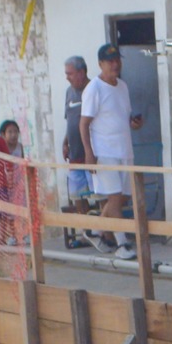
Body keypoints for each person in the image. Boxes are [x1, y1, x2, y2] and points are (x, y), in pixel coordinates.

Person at [80, 43, 143, 259]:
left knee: (122, 197)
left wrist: (133, 123)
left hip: (124, 149)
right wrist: (89, 153)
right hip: (104, 152)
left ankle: (95, 231)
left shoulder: (122, 86)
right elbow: (84, 123)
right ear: (100, 64)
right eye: (110, 61)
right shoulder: (94, 89)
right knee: (114, 197)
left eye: (117, 60)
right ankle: (121, 244)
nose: (115, 64)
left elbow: (121, 116)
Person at [58, 56, 96, 244]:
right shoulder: (68, 93)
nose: (67, 78)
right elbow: (70, 121)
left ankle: (106, 232)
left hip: (92, 154)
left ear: (82, 73)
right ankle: (87, 233)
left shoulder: (93, 90)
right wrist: (65, 142)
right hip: (75, 155)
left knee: (99, 194)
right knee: (78, 196)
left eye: (70, 74)